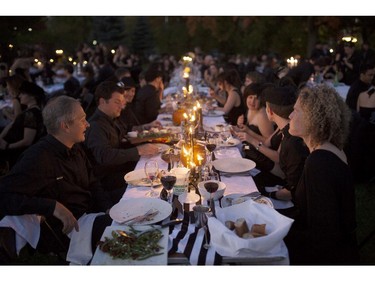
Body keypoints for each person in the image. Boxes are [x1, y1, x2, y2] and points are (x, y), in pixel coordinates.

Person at [0, 96, 113, 264]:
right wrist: (52, 206)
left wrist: (108, 208)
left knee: (134, 206)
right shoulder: (38, 158)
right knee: (127, 230)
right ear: (65, 126)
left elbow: (93, 182)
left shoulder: (75, 146)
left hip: (91, 212)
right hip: (70, 229)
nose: (87, 124)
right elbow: (3, 196)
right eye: (82, 120)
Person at [286, 84, 360, 265]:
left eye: (296, 111)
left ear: (313, 118)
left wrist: (277, 232)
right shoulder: (332, 148)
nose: (290, 115)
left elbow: (324, 237)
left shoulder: (319, 162)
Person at [84, 81, 160, 204]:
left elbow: (123, 140)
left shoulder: (111, 119)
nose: (121, 106)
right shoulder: (96, 126)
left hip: (118, 169)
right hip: (107, 180)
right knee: (151, 183)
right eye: (117, 102)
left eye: (121, 102)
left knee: (154, 171)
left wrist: (147, 141)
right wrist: (138, 150)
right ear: (103, 101)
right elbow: (105, 156)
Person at [252, 85, 309, 217]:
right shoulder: (284, 131)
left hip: (295, 208)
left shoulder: (293, 140)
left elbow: (291, 190)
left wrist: (267, 194)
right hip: (282, 187)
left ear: (269, 111)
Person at [0, 81, 46, 170]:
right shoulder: (31, 111)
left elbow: (27, 141)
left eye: (23, 93)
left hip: (15, 154)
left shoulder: (31, 114)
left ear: (32, 96)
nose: (20, 96)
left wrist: (7, 146)